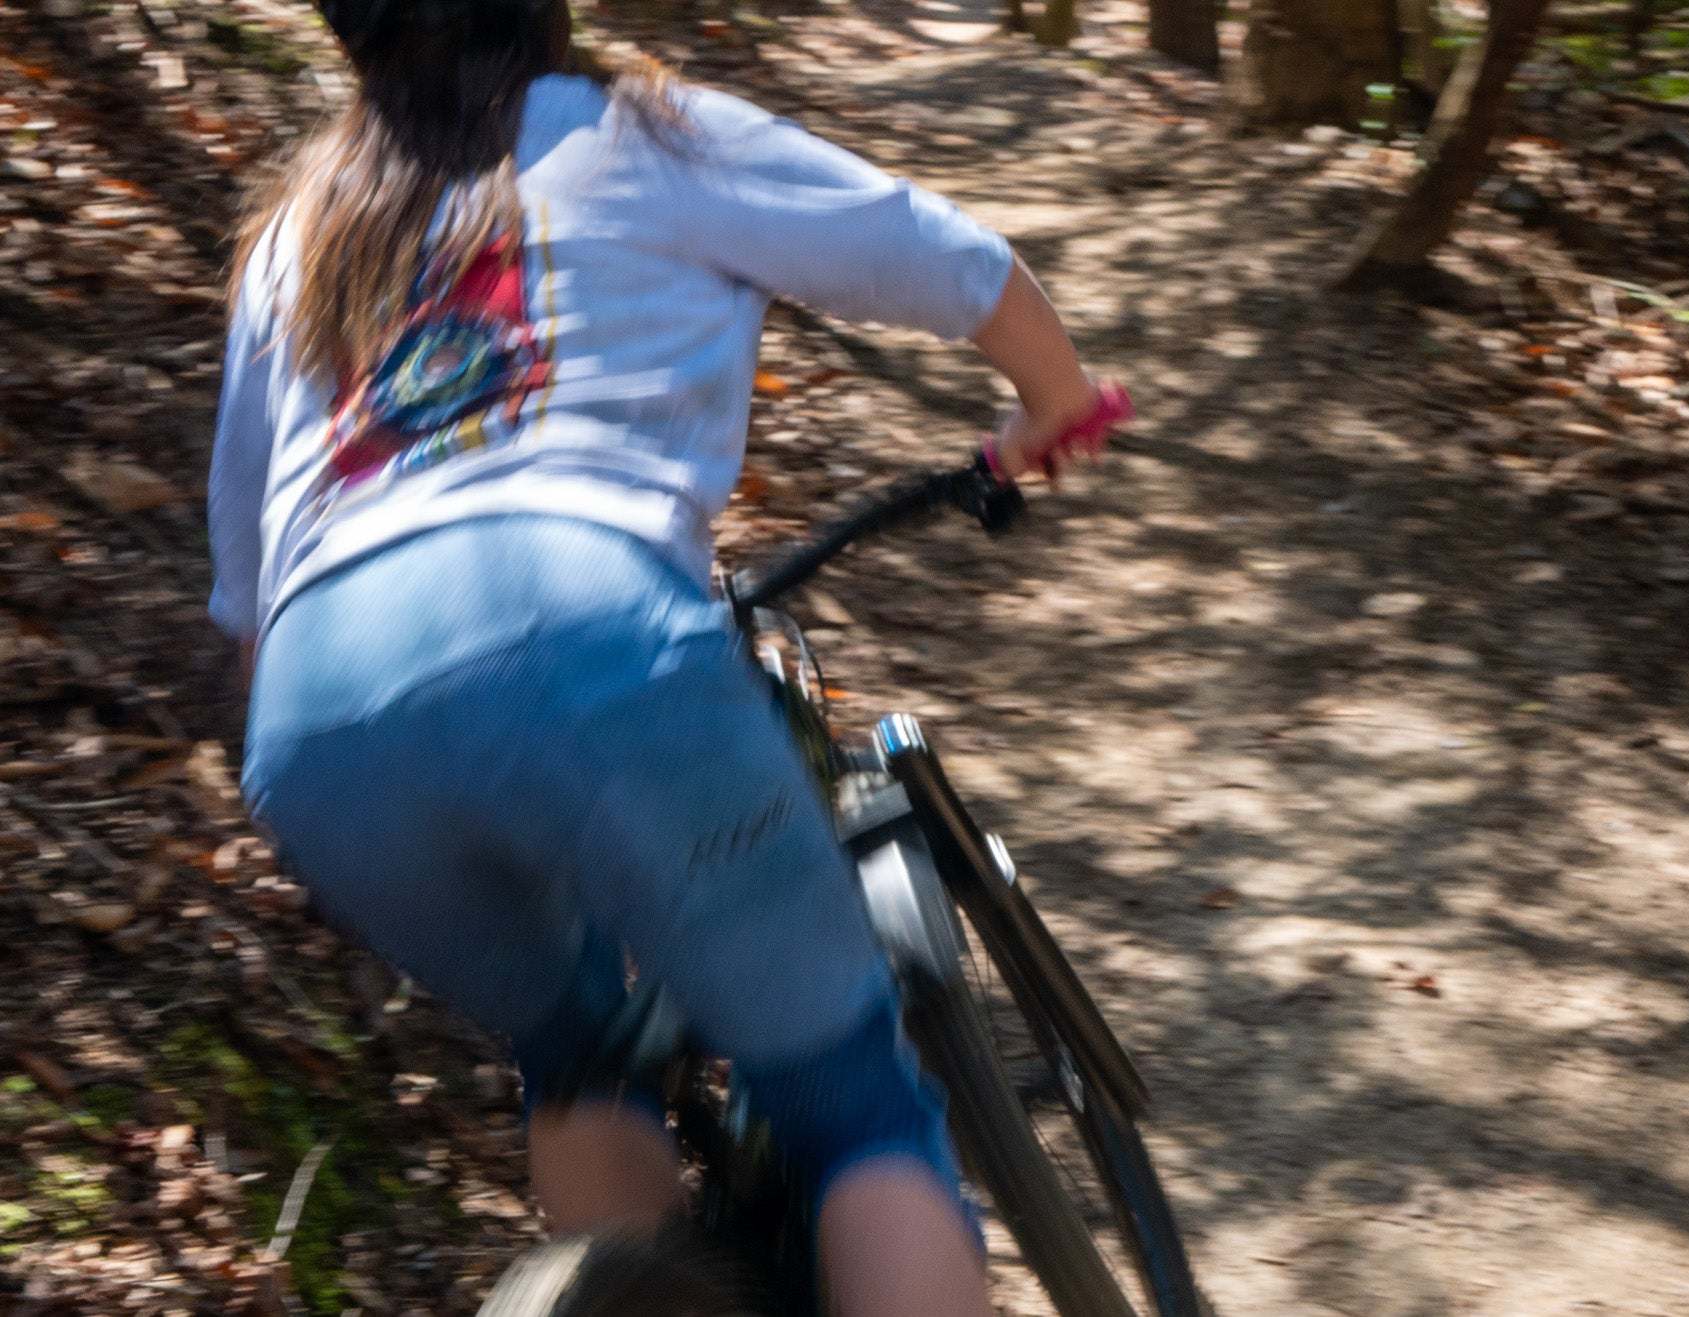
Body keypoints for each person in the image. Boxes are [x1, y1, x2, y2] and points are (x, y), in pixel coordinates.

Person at [207, 2, 1119, 1312]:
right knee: (852, 1100)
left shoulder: (294, 236)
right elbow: (938, 254)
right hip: (588, 622)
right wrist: (1055, 398)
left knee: (577, 1053)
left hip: (318, 725)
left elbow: (248, 601)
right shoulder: (643, 133)